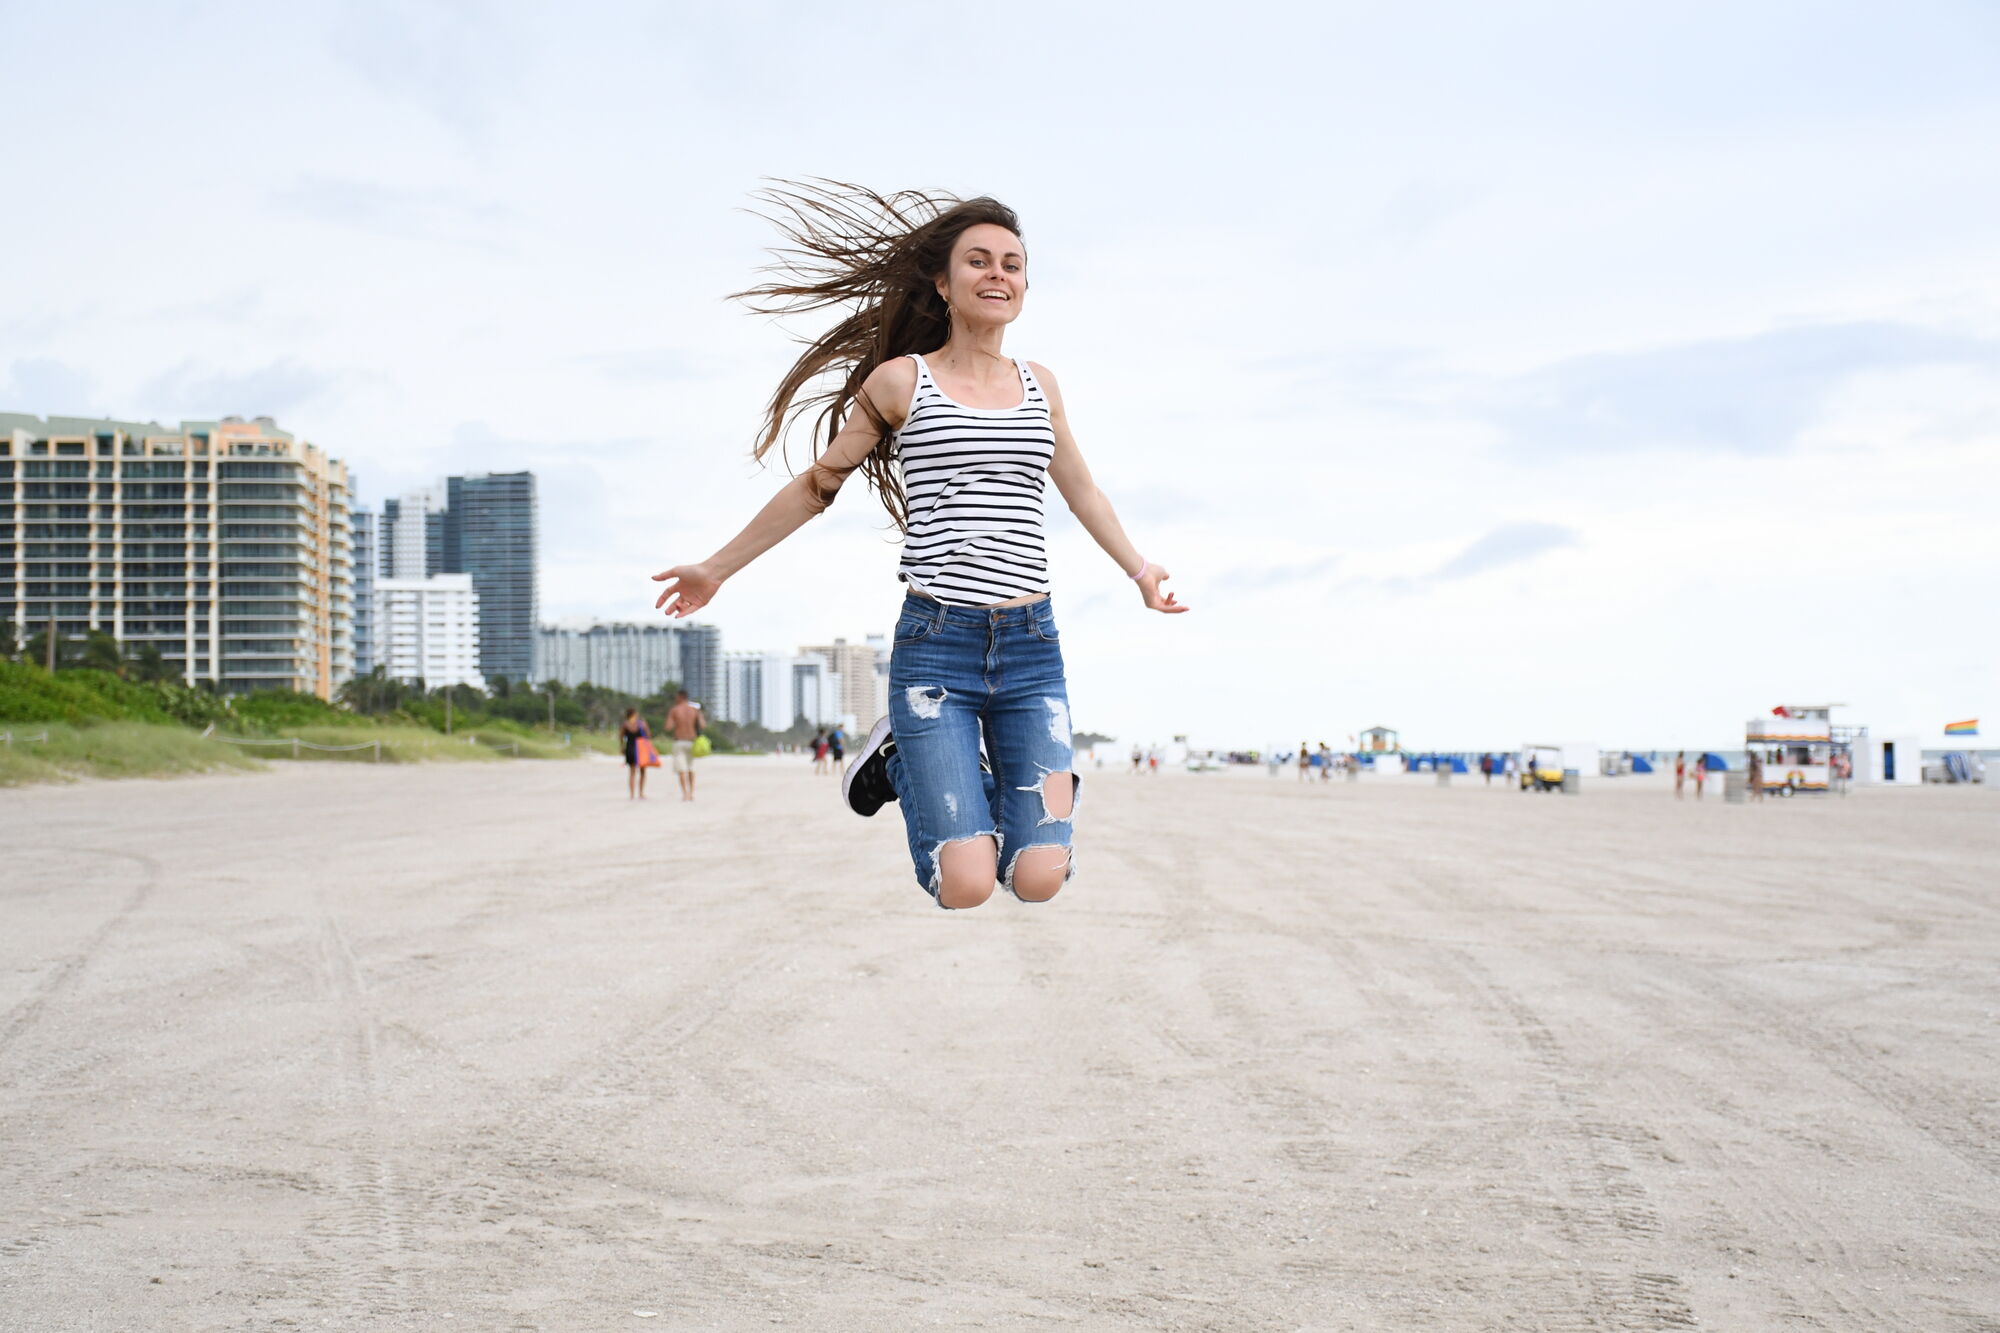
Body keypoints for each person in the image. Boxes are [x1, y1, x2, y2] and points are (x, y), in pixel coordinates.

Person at [651, 185, 1185, 909]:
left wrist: (1141, 570)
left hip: (1033, 646)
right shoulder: (902, 380)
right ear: (943, 281)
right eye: (979, 261)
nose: (998, 275)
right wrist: (715, 568)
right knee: (964, 884)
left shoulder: (1042, 385)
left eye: (1013, 264)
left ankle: (1012, 787)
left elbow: (1082, 490)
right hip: (938, 644)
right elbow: (817, 486)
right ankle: (902, 756)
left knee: (1037, 878)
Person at [663, 689, 704, 802]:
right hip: (692, 741)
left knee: (682, 769)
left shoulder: (675, 710)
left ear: (680, 697)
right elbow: (703, 725)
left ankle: (685, 794)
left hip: (679, 741)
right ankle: (691, 793)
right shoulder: (694, 710)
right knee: (691, 768)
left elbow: (668, 726)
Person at [620, 707, 653, 800]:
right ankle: (641, 793)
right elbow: (648, 735)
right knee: (642, 772)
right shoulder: (641, 723)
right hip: (641, 748)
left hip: (630, 747)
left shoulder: (625, 724)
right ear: (635, 714)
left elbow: (621, 737)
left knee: (632, 772)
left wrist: (622, 747)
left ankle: (631, 794)